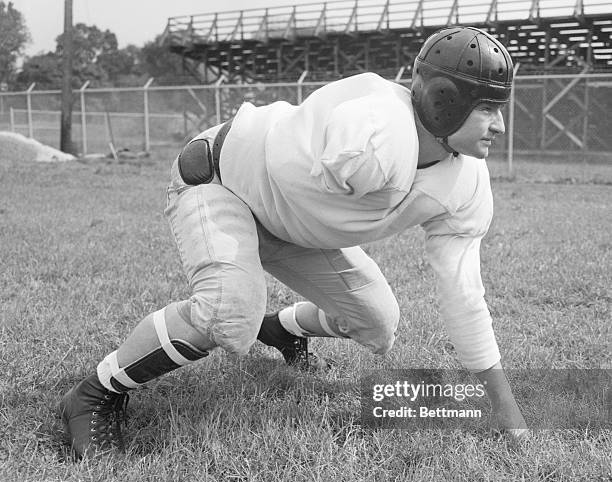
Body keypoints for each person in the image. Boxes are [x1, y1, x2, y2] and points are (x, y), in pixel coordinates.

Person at [59, 26, 528, 458]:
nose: (499, 126)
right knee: (229, 313)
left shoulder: (467, 185)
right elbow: (352, 134)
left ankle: (281, 330)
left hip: (294, 224)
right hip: (224, 182)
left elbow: (464, 297)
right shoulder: (377, 124)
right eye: (487, 107)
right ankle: (96, 393)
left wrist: (509, 418)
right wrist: (379, 149)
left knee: (378, 323)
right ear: (445, 101)